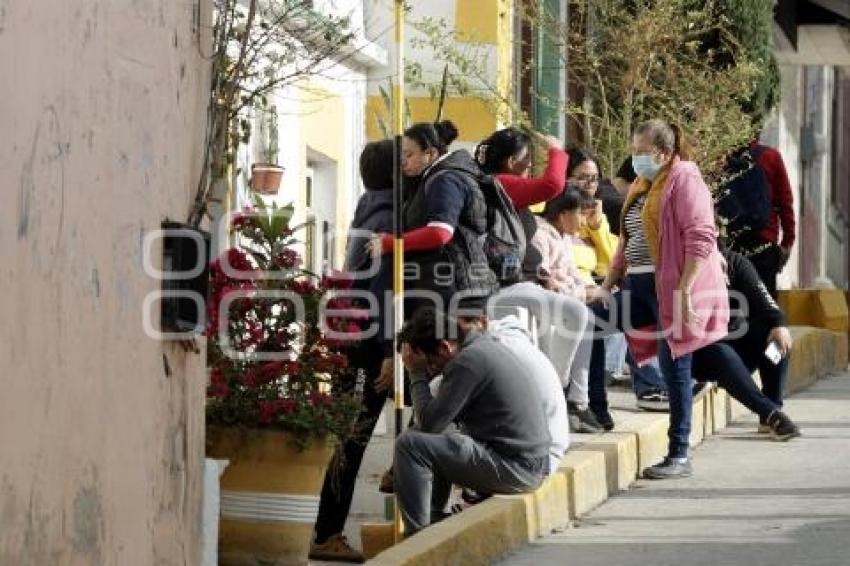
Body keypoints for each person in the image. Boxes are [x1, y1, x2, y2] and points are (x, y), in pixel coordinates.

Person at [589, 119, 729, 480]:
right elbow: (626, 240)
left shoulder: (685, 181)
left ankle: (679, 453)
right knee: (591, 321)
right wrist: (608, 283)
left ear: (664, 153)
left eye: (641, 152)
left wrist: (685, 290)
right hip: (637, 286)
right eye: (633, 152)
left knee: (675, 367)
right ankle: (594, 410)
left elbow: (701, 238)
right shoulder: (643, 183)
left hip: (671, 286)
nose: (635, 159)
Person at [475, 128, 600, 433]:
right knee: (571, 315)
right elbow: (553, 185)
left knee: (572, 317)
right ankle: (556, 389)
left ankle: (557, 392)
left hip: (529, 280)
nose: (530, 164)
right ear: (509, 160)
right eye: (526, 158)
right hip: (507, 286)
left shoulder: (508, 187)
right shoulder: (501, 184)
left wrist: (544, 274)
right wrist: (557, 151)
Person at [309, 140, 396, 563]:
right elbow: (379, 289)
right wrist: (387, 349)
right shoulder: (387, 218)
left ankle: (326, 528)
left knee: (347, 435)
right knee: (353, 438)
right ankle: (327, 532)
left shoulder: (368, 207)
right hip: (369, 340)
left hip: (352, 333)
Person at [367, 120, 499, 392]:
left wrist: (391, 243)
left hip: (450, 286)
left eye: (409, 154)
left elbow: (440, 232)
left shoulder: (445, 179)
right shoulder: (437, 177)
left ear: (431, 153)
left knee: (447, 366)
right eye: (401, 155)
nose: (403, 162)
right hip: (448, 284)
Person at [394, 307, 550, 534]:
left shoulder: (468, 362)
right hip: (527, 463)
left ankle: (418, 536)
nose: (433, 371)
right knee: (434, 436)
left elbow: (429, 424)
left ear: (444, 347)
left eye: (431, 365)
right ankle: (435, 516)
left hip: (517, 469)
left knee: (409, 445)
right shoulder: (482, 347)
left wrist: (415, 373)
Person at [690, 248, 799, 439]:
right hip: (703, 351)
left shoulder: (734, 262)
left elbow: (765, 300)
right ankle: (772, 414)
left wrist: (779, 324)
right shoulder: (683, 262)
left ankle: (771, 409)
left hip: (736, 345)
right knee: (721, 353)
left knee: (775, 338)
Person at [727, 138, 796, 297]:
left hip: (731, 243)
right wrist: (787, 243)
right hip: (764, 243)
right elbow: (785, 203)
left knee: (735, 306)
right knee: (764, 307)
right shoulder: (771, 156)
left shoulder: (722, 158)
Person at [566, 146, 624, 241]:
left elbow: (611, 254)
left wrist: (596, 228)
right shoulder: (550, 212)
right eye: (582, 178)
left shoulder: (600, 216)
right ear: (565, 178)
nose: (590, 184)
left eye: (594, 178)